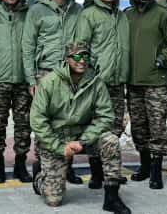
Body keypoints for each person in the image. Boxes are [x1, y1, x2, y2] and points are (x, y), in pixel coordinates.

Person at [30, 42, 131, 214]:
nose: (82, 61)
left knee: (111, 141)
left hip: (84, 136)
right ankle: (40, 177)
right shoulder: (49, 82)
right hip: (57, 139)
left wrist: (83, 141)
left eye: (85, 56)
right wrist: (59, 147)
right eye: (76, 57)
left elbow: (106, 116)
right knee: (54, 200)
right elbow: (37, 120)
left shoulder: (96, 82)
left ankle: (112, 197)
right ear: (67, 59)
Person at [21, 0, 84, 185]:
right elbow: (28, 46)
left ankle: (67, 168)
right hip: (46, 73)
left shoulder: (77, 9)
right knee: (45, 122)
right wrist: (31, 79)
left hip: (71, 74)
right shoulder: (36, 11)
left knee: (71, 122)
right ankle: (42, 168)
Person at [124, 0, 167, 189]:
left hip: (156, 82)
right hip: (133, 83)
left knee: (157, 128)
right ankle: (145, 166)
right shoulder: (127, 16)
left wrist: (161, 60)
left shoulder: (163, 14)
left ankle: (156, 172)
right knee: (139, 128)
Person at [75, 0, 131, 188]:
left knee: (115, 127)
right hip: (97, 82)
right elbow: (80, 47)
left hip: (118, 81)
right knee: (96, 126)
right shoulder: (88, 15)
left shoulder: (121, 16)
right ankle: (97, 173)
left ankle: (112, 172)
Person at [0, 0, 34, 183]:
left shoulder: (28, 15)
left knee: (24, 125)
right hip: (0, 80)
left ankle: (20, 165)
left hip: (23, 80)